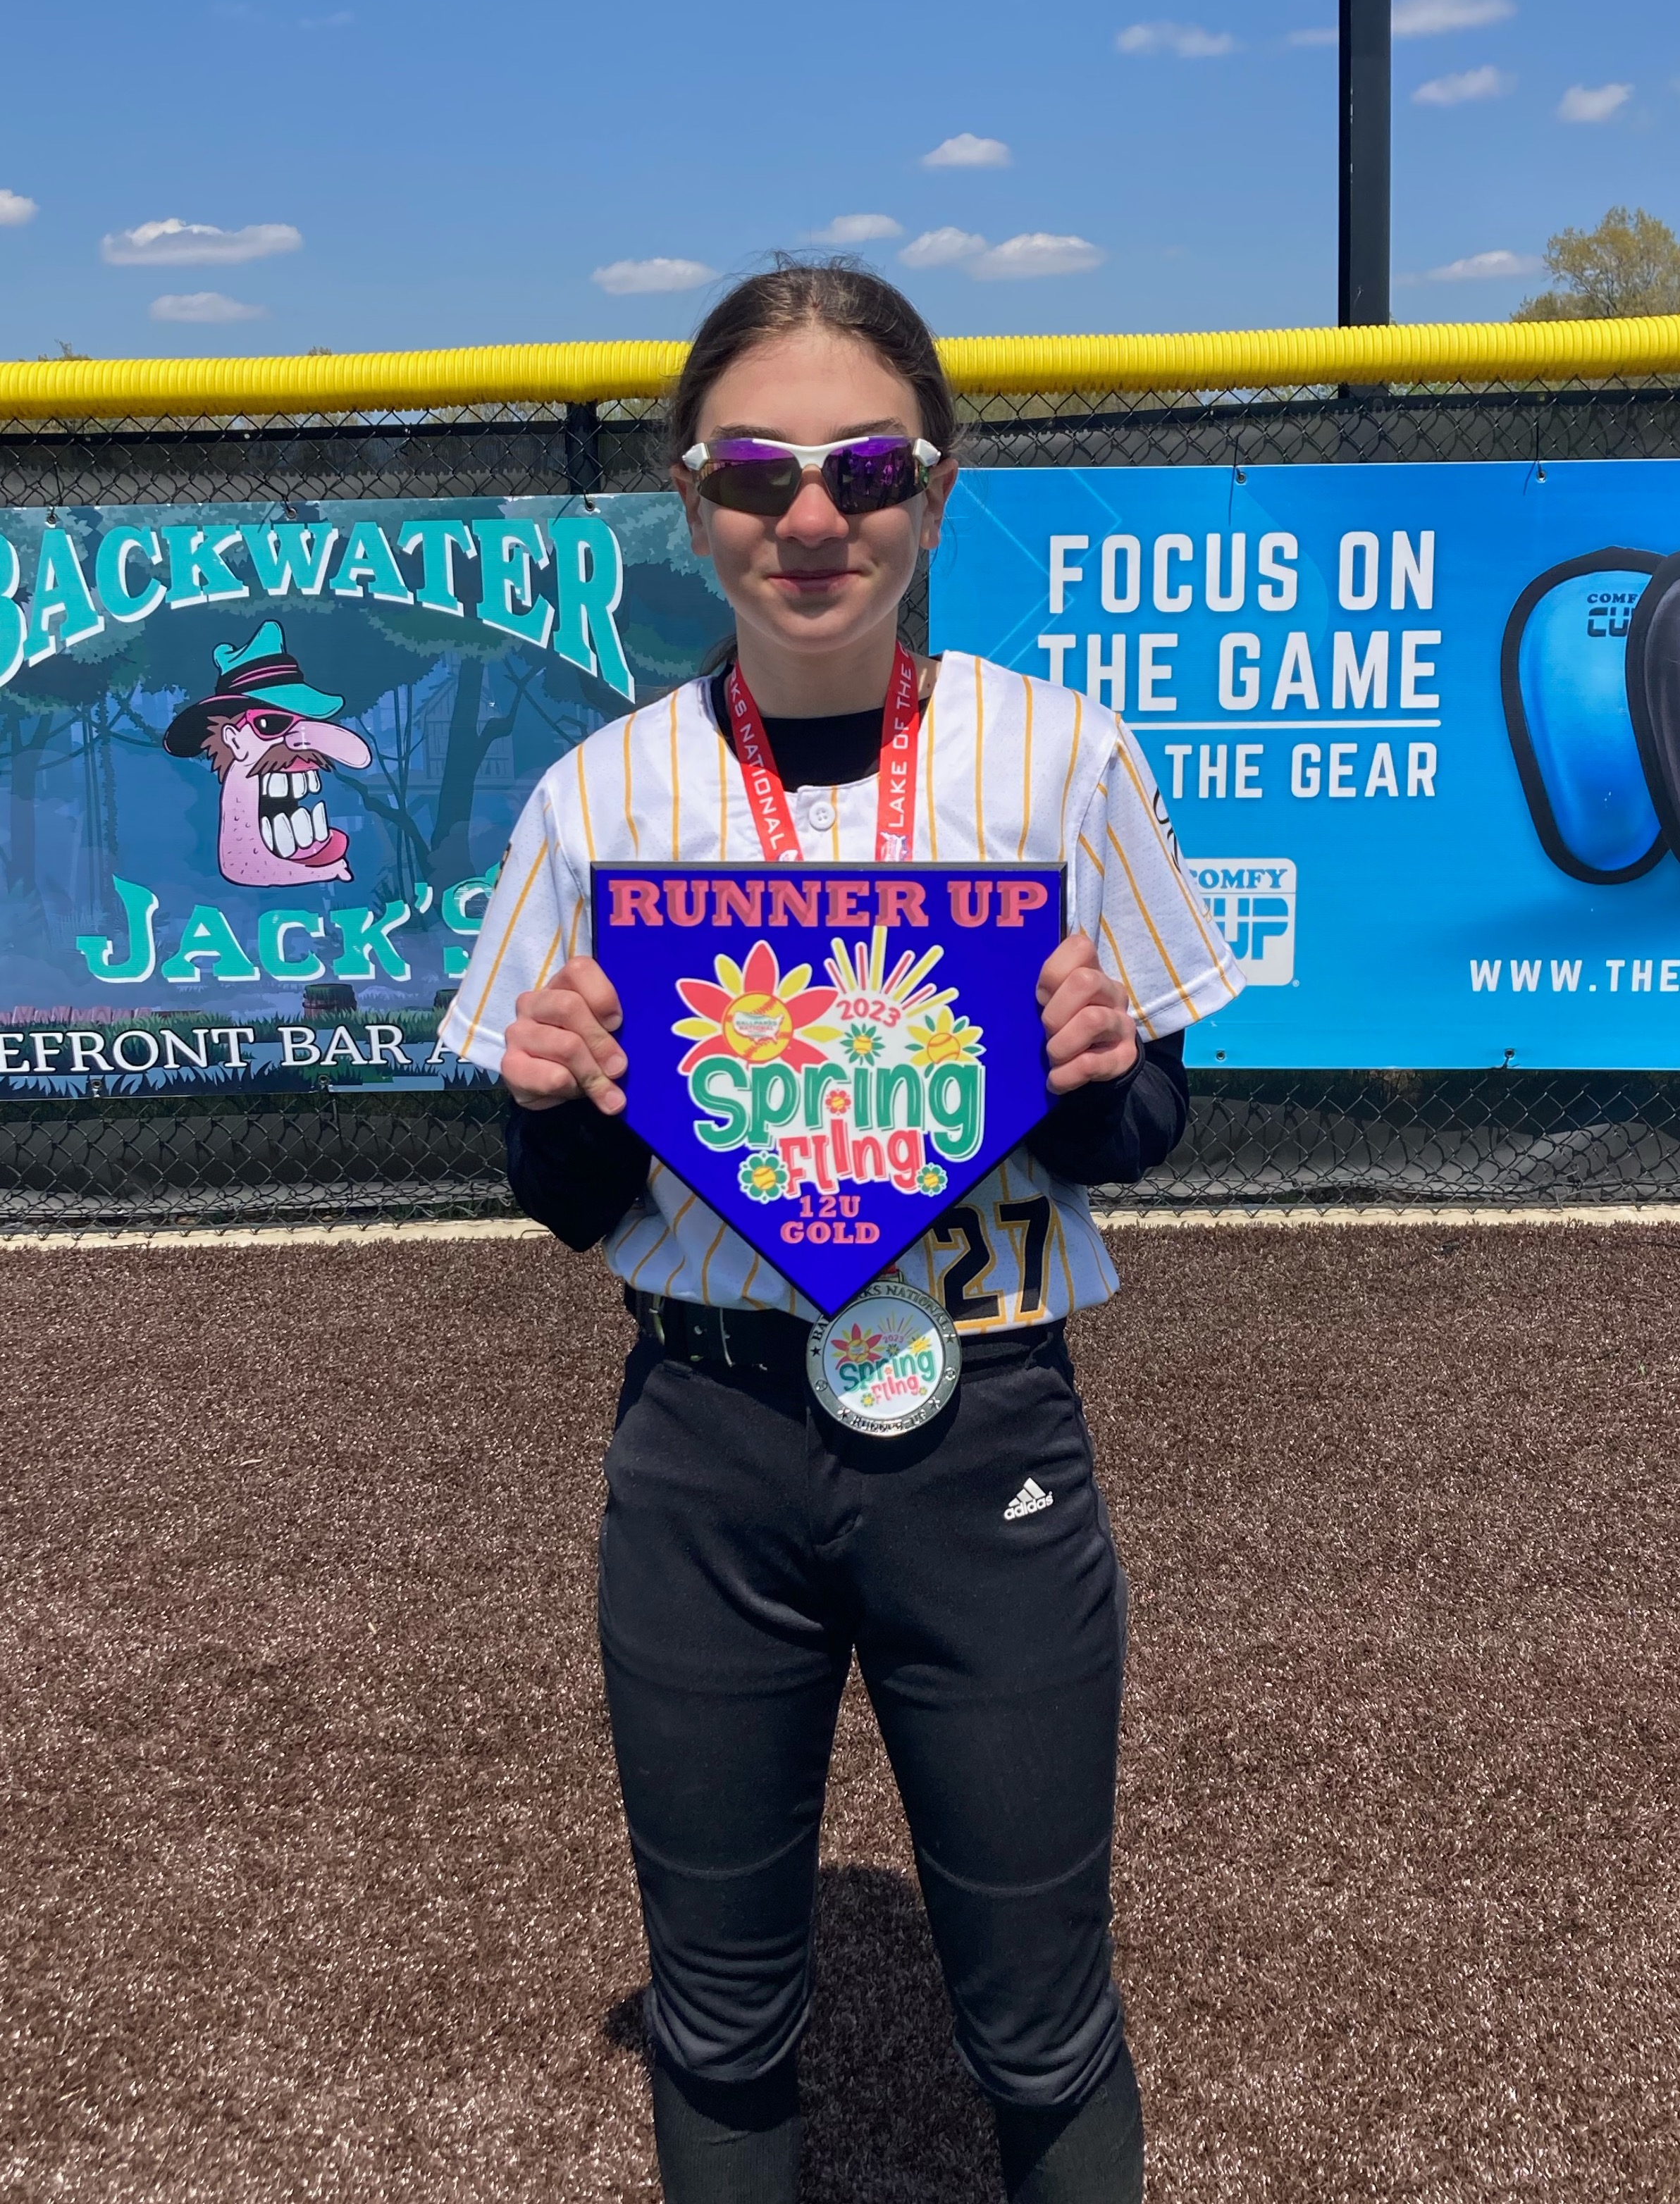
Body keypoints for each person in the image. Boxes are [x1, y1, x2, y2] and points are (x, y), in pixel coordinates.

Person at [441, 260, 1243, 2203]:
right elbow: (567, 1201)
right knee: (721, 2008)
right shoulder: (599, 794)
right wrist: (549, 1104)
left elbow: (1144, 1124)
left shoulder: (1059, 757)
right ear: (691, 498)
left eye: (867, 466)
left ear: (936, 492)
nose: (811, 514)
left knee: (1038, 2010)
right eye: (755, 471)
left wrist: (1091, 1069)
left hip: (986, 1418)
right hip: (706, 1433)